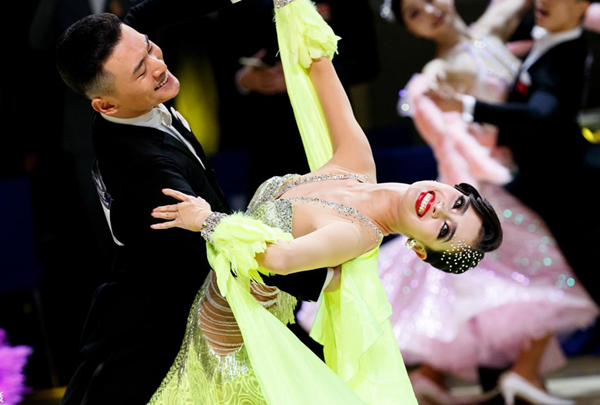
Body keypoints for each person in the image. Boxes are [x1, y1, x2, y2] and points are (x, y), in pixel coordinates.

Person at [149, 0, 503, 403]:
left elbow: (280, 259)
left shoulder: (355, 234)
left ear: (419, 249)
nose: (440, 209)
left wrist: (207, 220)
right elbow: (320, 66)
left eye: (444, 230)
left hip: (225, 348)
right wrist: (291, 6)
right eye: (457, 205)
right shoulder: (357, 162)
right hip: (193, 306)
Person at [53, 0, 332, 404]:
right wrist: (324, 271)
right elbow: (218, 243)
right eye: (141, 70)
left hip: (199, 284)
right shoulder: (147, 170)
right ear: (105, 105)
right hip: (166, 314)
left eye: (150, 47)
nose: (157, 64)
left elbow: (145, 15)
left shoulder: (126, 68)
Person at [325, 0, 597, 404]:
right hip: (488, 183)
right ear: (411, 30)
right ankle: (518, 373)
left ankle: (441, 375)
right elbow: (436, 97)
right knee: (544, 269)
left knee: (492, 278)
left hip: (514, 176)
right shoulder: (442, 67)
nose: (429, 10)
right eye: (414, 14)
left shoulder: (490, 29)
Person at [424, 0, 600, 313]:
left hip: (565, 180)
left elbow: (540, 114)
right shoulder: (543, 35)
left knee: (589, 263)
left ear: (579, 6)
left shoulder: (566, 54)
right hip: (539, 176)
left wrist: (467, 107)